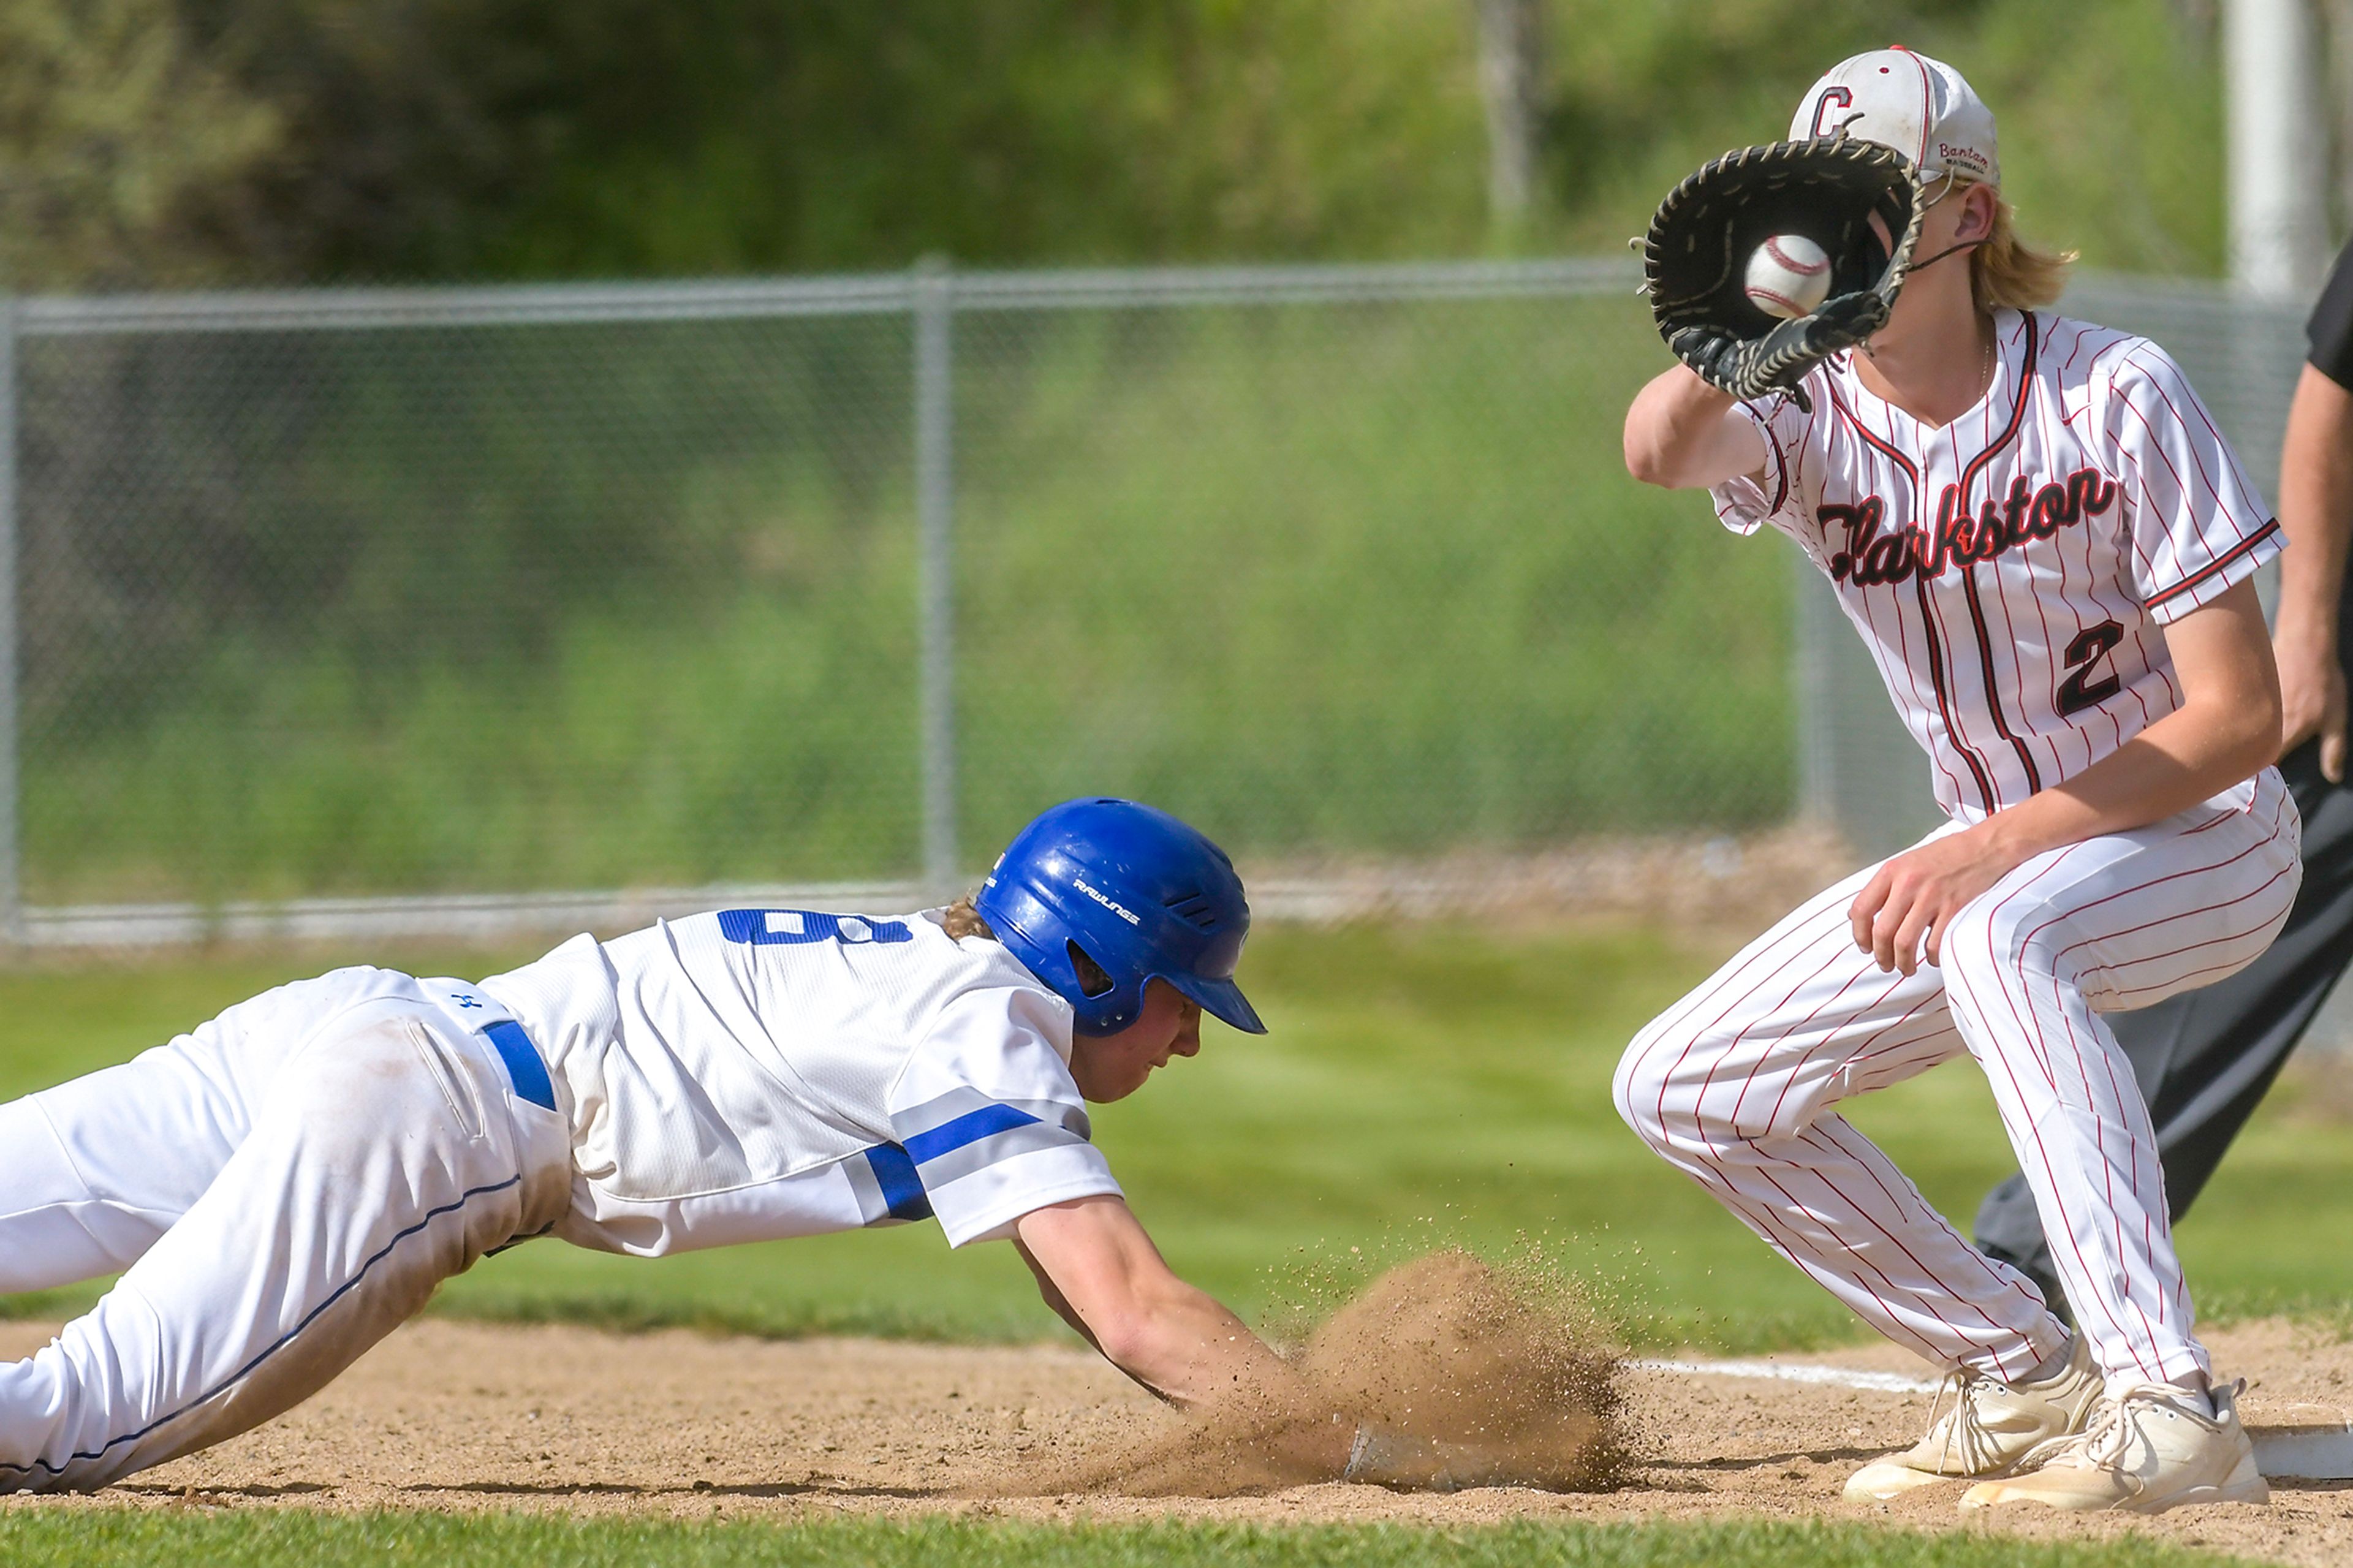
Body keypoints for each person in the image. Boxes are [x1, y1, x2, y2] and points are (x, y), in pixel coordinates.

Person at [1614, 48, 2294, 1513]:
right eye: (1814, 197)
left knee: (2002, 930)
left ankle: (2170, 1406)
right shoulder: (1808, 418)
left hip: (2208, 833)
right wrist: (1732, 335)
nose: (1836, 227)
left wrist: (1998, 849)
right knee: (1685, 1082)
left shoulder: (2115, 390)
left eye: (1875, 199)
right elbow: (1656, 451)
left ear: (1969, 215)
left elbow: (2248, 714)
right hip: (2001, 857)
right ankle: (2020, 1368)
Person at [0, 798, 1415, 1493]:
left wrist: (1270, 1415)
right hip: (428, 1122)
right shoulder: (981, 1030)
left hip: (370, 1020)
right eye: (1184, 997)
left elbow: (1078, 1284)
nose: (1189, 1036)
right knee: (68, 1426)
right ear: (1100, 964)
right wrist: (1368, 1445)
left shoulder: (929, 968)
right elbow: (1133, 1306)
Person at [1973, 230, 2353, 1315]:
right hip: (2349, 702)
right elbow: (2335, 389)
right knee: (2215, 993)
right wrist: (2310, 634)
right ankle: (2040, 1264)